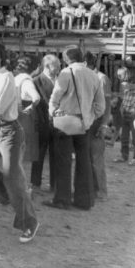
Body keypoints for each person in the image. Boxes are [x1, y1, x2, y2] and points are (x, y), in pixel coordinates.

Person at [0, 40, 39, 243]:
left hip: (9, 131)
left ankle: (29, 222)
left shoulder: (7, 77)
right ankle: (13, 199)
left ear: (1, 56)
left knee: (12, 177)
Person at [44, 46, 105, 210]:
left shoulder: (65, 73)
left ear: (65, 59)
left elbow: (54, 99)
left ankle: (62, 200)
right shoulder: (94, 75)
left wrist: (56, 114)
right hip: (84, 123)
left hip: (65, 121)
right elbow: (100, 107)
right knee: (84, 161)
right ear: (81, 57)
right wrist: (89, 117)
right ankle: (84, 200)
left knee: (63, 162)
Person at [31, 54, 60, 192]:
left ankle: (54, 184)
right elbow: (35, 103)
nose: (60, 68)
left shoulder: (60, 80)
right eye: (57, 65)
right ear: (48, 66)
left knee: (56, 154)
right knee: (39, 155)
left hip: (59, 123)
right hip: (42, 122)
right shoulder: (36, 81)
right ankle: (35, 183)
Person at [84, 51, 111, 200]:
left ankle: (101, 192)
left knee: (96, 159)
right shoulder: (87, 78)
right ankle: (91, 190)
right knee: (87, 159)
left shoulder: (102, 79)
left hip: (98, 123)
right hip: (88, 123)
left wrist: (105, 124)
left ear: (86, 64)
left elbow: (107, 105)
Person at [14, 56, 41, 166]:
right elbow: (36, 97)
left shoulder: (15, 79)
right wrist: (31, 107)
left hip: (14, 114)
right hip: (24, 117)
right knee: (23, 150)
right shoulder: (27, 81)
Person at [113, 67, 135, 164]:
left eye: (120, 75)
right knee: (124, 137)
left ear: (125, 74)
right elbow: (124, 97)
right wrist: (121, 107)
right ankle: (124, 156)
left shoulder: (132, 83)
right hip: (126, 112)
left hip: (134, 112)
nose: (119, 77)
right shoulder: (123, 85)